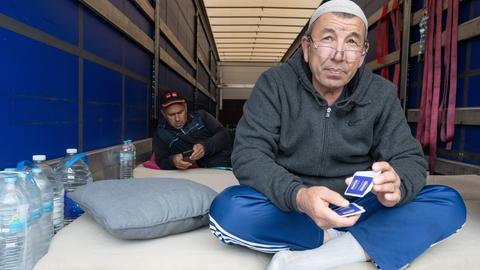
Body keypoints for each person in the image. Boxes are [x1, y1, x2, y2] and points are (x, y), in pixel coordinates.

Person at [208, 1, 466, 269]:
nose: (339, 54)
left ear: (363, 53)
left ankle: (319, 255)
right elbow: (249, 154)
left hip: (361, 207)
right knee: (228, 211)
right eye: (328, 39)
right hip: (294, 206)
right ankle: (364, 241)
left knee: (448, 203)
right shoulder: (274, 85)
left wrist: (397, 184)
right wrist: (298, 196)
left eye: (352, 42)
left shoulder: (381, 93)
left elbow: (409, 158)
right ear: (307, 48)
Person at [153, 90, 232, 170]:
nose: (177, 119)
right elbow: (161, 160)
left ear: (186, 107)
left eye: (180, 112)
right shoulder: (161, 134)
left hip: (227, 164)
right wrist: (173, 161)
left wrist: (205, 147)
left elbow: (224, 134)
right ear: (163, 114)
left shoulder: (202, 116)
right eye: (171, 115)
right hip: (199, 174)